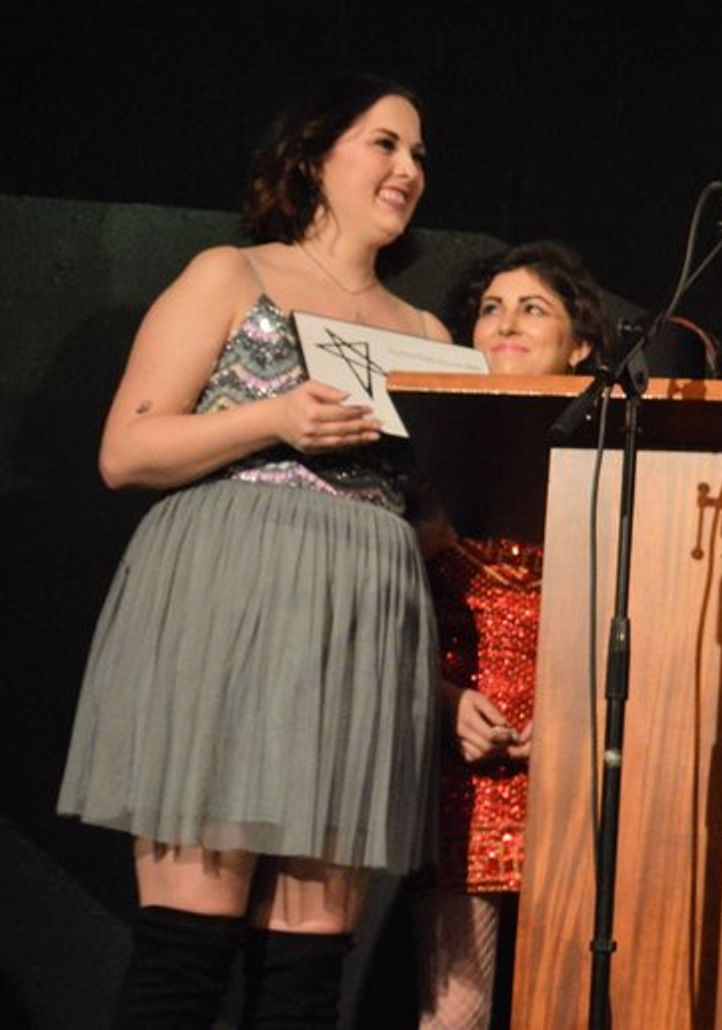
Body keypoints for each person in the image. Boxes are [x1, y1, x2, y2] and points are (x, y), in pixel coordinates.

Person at [56, 71, 449, 1029]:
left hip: (356, 632)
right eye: (384, 143)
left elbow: (435, 512)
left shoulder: (429, 334)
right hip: (231, 611)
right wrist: (276, 417)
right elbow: (127, 448)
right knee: (187, 955)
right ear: (314, 156)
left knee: (308, 978)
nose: (408, 168)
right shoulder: (233, 276)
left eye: (420, 155)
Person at [408, 241, 611, 1029]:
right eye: (491, 308)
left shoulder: (613, 455)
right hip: (461, 756)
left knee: (564, 1002)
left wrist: (577, 716)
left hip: (576, 755)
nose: (505, 323)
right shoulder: (425, 446)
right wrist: (440, 697)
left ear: (581, 343)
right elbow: (387, 605)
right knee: (455, 1009)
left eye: (533, 308)